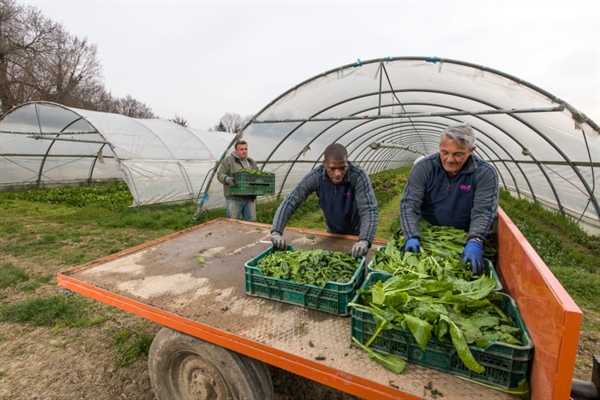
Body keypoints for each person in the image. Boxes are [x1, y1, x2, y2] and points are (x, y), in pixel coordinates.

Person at [400, 123, 499, 274]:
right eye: (444, 152)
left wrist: (475, 240)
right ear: (439, 147)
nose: (449, 159)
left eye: (458, 154)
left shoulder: (484, 173)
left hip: (462, 238)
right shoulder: (424, 168)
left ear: (472, 151)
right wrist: (411, 235)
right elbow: (409, 204)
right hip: (427, 235)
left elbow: (483, 211)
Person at [270, 143, 379, 259]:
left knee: (356, 260)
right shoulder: (316, 177)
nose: (338, 174)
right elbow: (291, 201)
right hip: (332, 231)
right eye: (332, 168)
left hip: (357, 232)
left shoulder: (358, 176)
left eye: (342, 168)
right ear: (324, 164)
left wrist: (364, 240)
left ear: (347, 162)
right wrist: (276, 231)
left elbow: (369, 209)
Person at [217, 140, 259, 221]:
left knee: (251, 222)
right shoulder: (228, 161)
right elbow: (220, 174)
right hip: (234, 198)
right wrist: (226, 179)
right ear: (236, 150)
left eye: (246, 149)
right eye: (241, 149)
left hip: (249, 197)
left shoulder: (251, 162)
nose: (244, 151)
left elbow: (257, 174)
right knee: (233, 222)